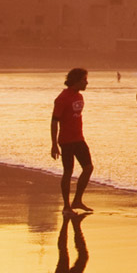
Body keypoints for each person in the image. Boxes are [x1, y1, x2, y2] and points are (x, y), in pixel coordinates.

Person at [51, 68, 93, 214]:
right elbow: (54, 121)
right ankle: (66, 206)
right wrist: (54, 144)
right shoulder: (62, 98)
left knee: (88, 168)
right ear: (76, 80)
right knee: (68, 172)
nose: (86, 82)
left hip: (79, 138)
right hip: (66, 140)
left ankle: (77, 200)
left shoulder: (79, 97)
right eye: (84, 79)